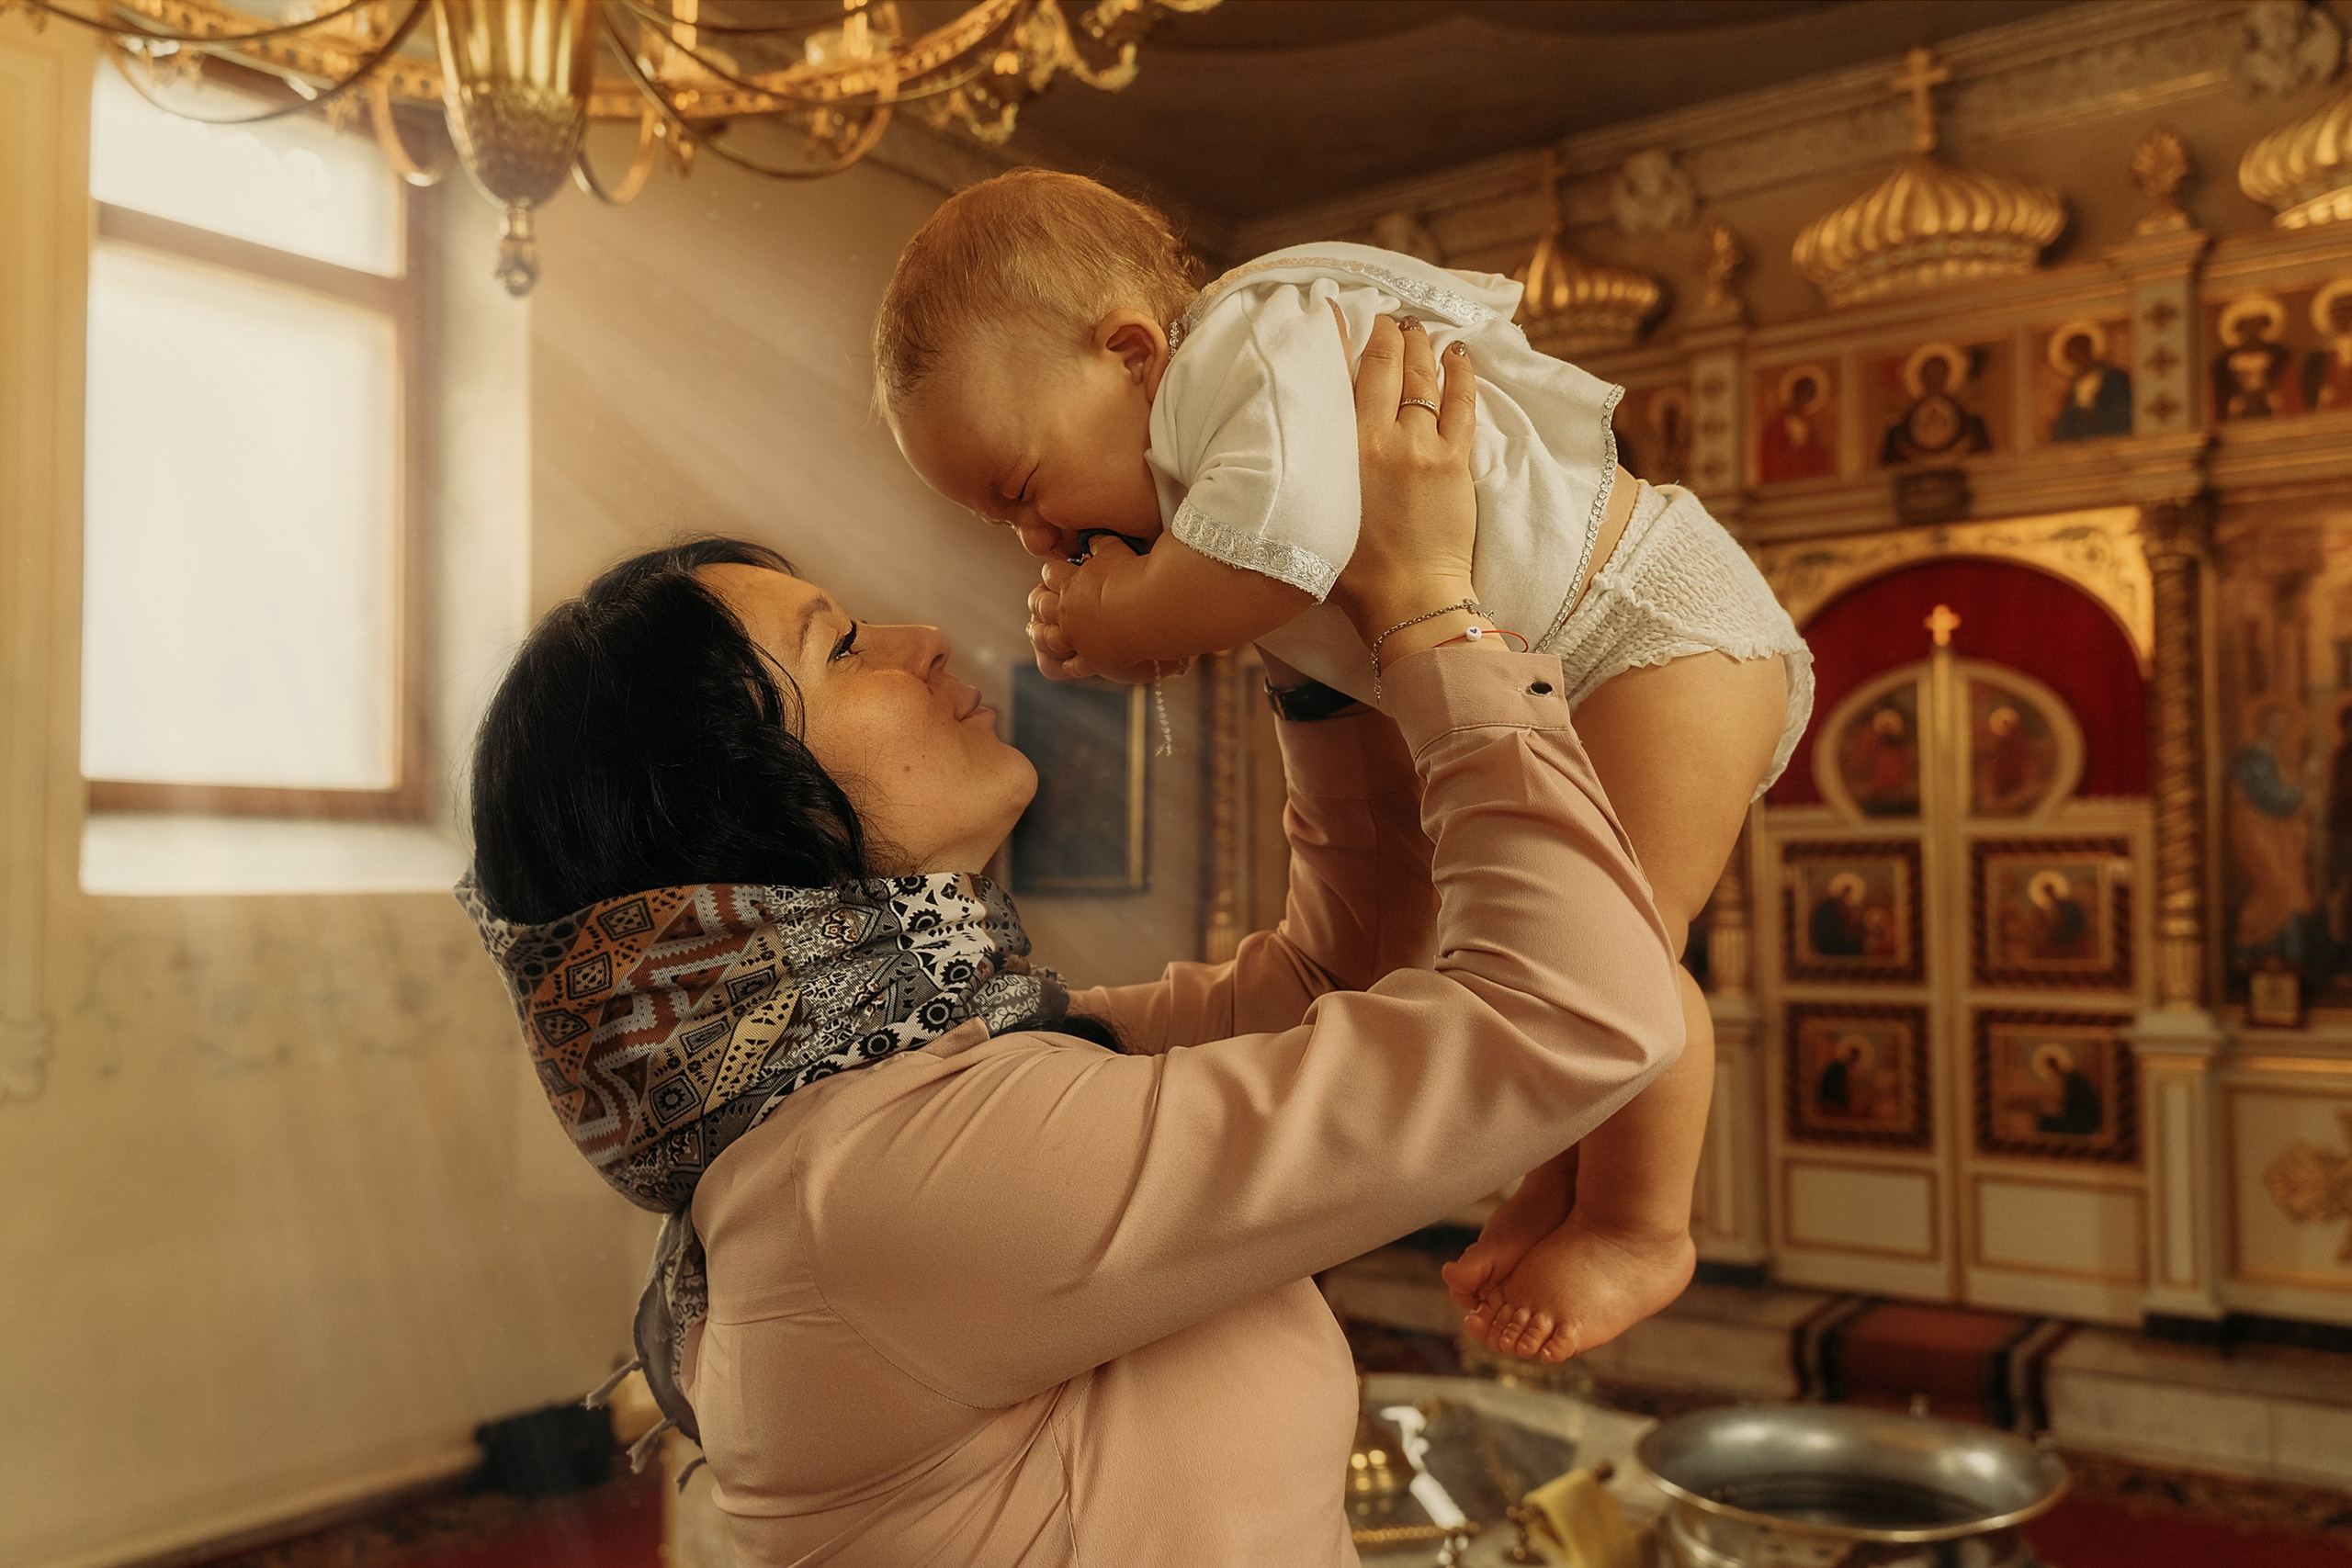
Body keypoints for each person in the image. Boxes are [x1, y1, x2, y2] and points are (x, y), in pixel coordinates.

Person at [459, 321, 1686, 1565]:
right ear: (733, 817)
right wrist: (1428, 610)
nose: (924, 638)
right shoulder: (885, 1184)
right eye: (844, 650)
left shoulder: (920, 1091)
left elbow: (1340, 975)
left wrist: (1301, 627)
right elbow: (1579, 1014)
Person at [874, 169, 1811, 1367]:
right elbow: (1291, 607)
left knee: (1620, 948)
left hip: (1651, 627)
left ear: (1131, 353)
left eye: (1022, 489)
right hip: (1578, 651)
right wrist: (1154, 618)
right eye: (1002, 524)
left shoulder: (1241, 355)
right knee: (1586, 953)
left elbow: (1285, 551)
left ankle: (1642, 1228)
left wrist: (1127, 618)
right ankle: (1578, 1177)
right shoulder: (1205, 449)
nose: (1036, 537)